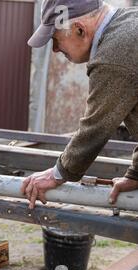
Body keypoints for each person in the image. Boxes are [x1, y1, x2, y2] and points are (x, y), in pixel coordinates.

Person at [21, 0, 138, 209]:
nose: (55, 49)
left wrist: (58, 173)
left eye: (55, 39)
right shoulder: (130, 24)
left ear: (79, 30)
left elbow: (96, 127)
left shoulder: (114, 55)